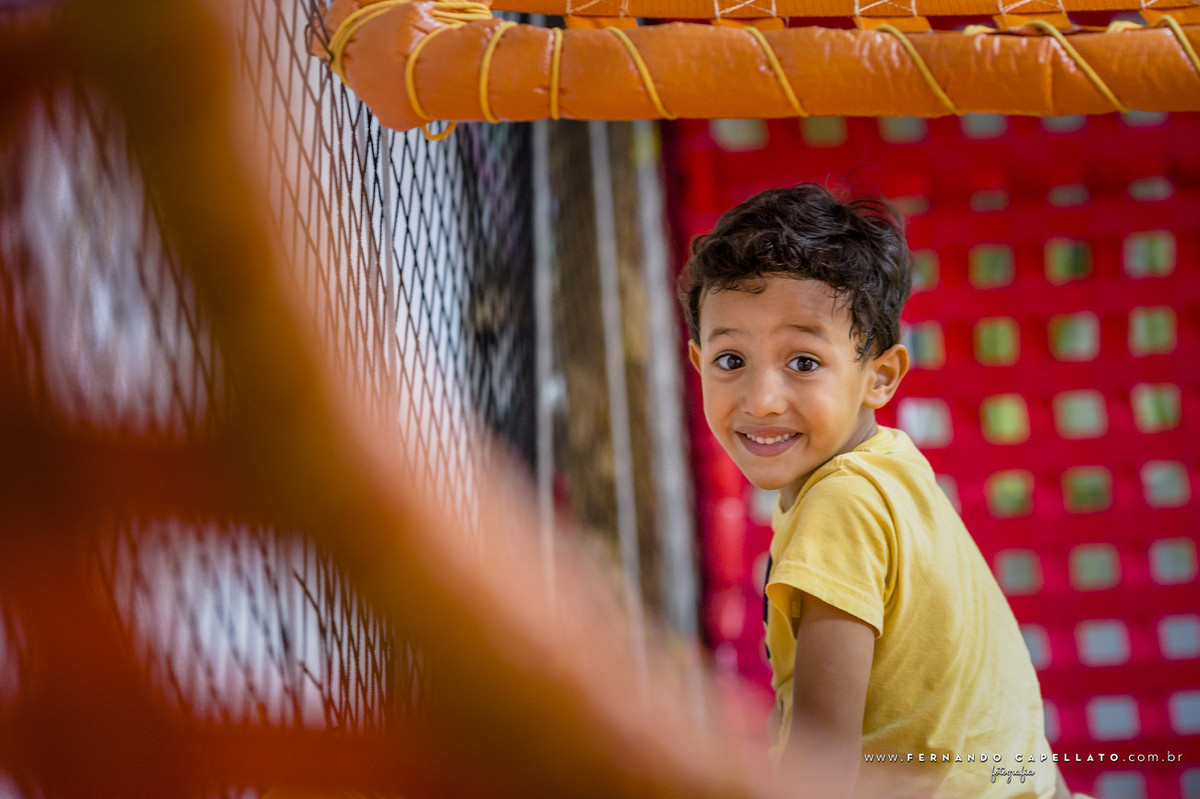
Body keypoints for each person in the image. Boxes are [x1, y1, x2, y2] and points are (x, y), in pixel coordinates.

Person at [680, 184, 1074, 799]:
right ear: (699, 364)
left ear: (880, 376)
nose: (760, 400)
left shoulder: (843, 502)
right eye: (732, 360)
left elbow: (820, 770)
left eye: (803, 362)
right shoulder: (891, 469)